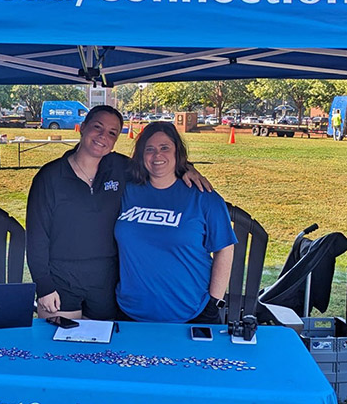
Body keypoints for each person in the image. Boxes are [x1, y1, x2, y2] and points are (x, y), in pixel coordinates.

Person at [26, 107, 210, 322]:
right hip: (60, 278)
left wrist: (187, 168)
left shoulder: (120, 168)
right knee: (58, 348)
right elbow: (36, 237)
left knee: (105, 349)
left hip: (107, 281)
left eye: (112, 133)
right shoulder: (50, 177)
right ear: (83, 127)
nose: (103, 136)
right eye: (98, 127)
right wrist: (44, 286)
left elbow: (158, 164)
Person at [115, 122, 236, 324]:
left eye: (165, 148)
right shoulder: (125, 191)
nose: (157, 155)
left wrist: (214, 302)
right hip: (128, 312)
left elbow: (224, 249)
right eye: (149, 149)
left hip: (190, 314)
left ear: (177, 152)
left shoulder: (203, 197)